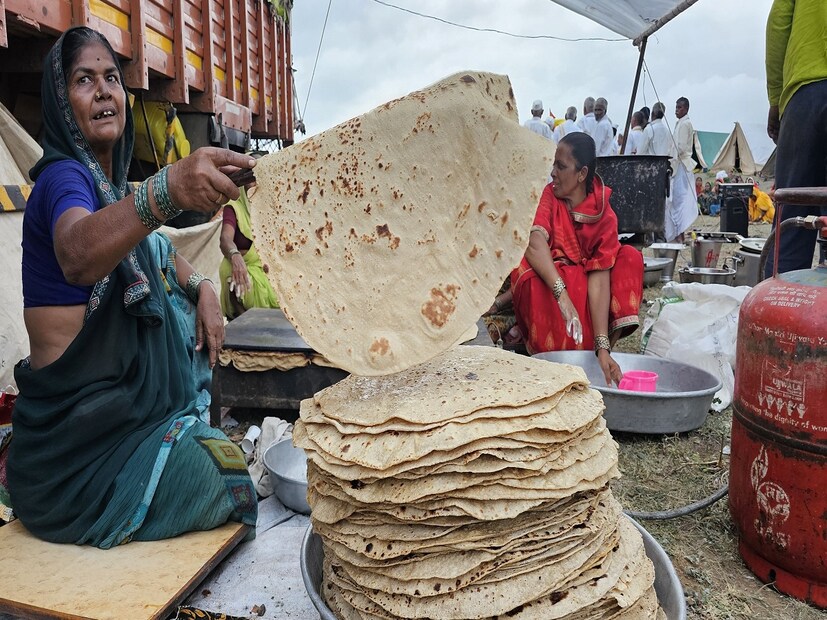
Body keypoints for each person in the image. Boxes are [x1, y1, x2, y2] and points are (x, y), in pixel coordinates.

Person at [8, 27, 259, 548]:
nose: (103, 91)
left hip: (116, 431)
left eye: (111, 79)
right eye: (84, 80)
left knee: (177, 312)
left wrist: (207, 290)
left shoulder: (115, 193)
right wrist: (166, 191)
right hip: (79, 456)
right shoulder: (62, 180)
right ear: (61, 102)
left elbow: (165, 256)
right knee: (231, 481)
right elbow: (77, 254)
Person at [509, 132, 644, 386]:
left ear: (581, 174)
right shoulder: (549, 195)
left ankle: (599, 351)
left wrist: (603, 345)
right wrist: (562, 293)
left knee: (630, 258)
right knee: (528, 271)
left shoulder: (603, 212)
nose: (553, 173)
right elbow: (534, 241)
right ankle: (554, 359)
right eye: (553, 165)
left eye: (561, 167)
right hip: (554, 283)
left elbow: (600, 276)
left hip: (587, 289)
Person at [764, 0, 827, 276]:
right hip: (804, 93)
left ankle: (771, 318)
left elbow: (778, 26)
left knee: (790, 227)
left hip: (804, 96)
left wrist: (776, 100)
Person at [219, 178, 280, 320]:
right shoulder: (234, 207)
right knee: (237, 283)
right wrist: (235, 256)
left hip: (265, 269)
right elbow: (225, 239)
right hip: (239, 269)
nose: (253, 184)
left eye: (258, 178)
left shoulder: (271, 209)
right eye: (250, 180)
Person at [668, 96, 699, 242]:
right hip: (678, 164)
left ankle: (679, 233)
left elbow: (680, 147)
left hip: (681, 164)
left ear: (686, 108)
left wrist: (670, 157)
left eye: (679, 107)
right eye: (676, 107)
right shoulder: (680, 123)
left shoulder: (685, 124)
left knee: (679, 200)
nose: (676, 110)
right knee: (676, 200)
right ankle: (677, 232)